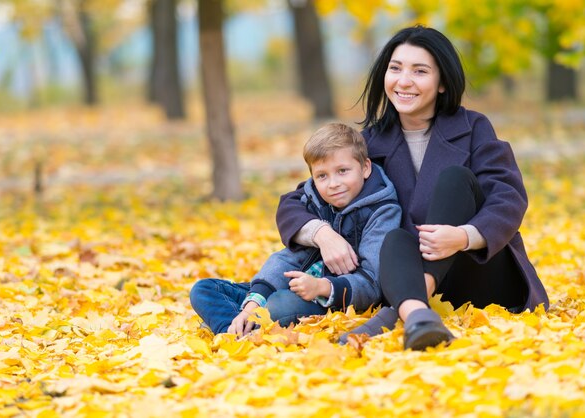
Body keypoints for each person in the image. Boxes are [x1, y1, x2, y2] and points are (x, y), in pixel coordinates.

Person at [275, 25, 549, 350]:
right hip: (405, 276)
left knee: (454, 180)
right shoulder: (368, 145)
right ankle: (418, 313)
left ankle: (397, 313)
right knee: (394, 238)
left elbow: (509, 197)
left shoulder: (474, 128)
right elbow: (296, 201)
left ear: (443, 82)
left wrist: (463, 236)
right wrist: (324, 234)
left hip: (480, 273)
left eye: (419, 71)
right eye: (395, 68)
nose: (404, 81)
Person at [190, 122, 402, 336]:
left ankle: (232, 327)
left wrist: (321, 287)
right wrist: (253, 303)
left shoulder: (383, 211)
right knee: (204, 290)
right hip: (288, 284)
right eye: (322, 176)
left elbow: (371, 282)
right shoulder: (314, 200)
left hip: (328, 300)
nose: (333, 184)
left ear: (365, 168)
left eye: (342, 171)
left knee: (279, 306)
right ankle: (236, 329)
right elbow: (287, 259)